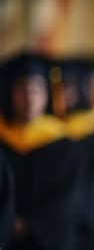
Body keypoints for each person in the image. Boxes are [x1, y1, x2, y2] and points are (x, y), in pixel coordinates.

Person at [0, 52, 83, 250]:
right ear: (10, 94)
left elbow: (68, 198)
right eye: (22, 90)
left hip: (45, 241)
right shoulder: (3, 139)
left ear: (46, 95)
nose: (29, 98)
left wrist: (30, 225)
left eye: (36, 90)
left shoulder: (61, 142)